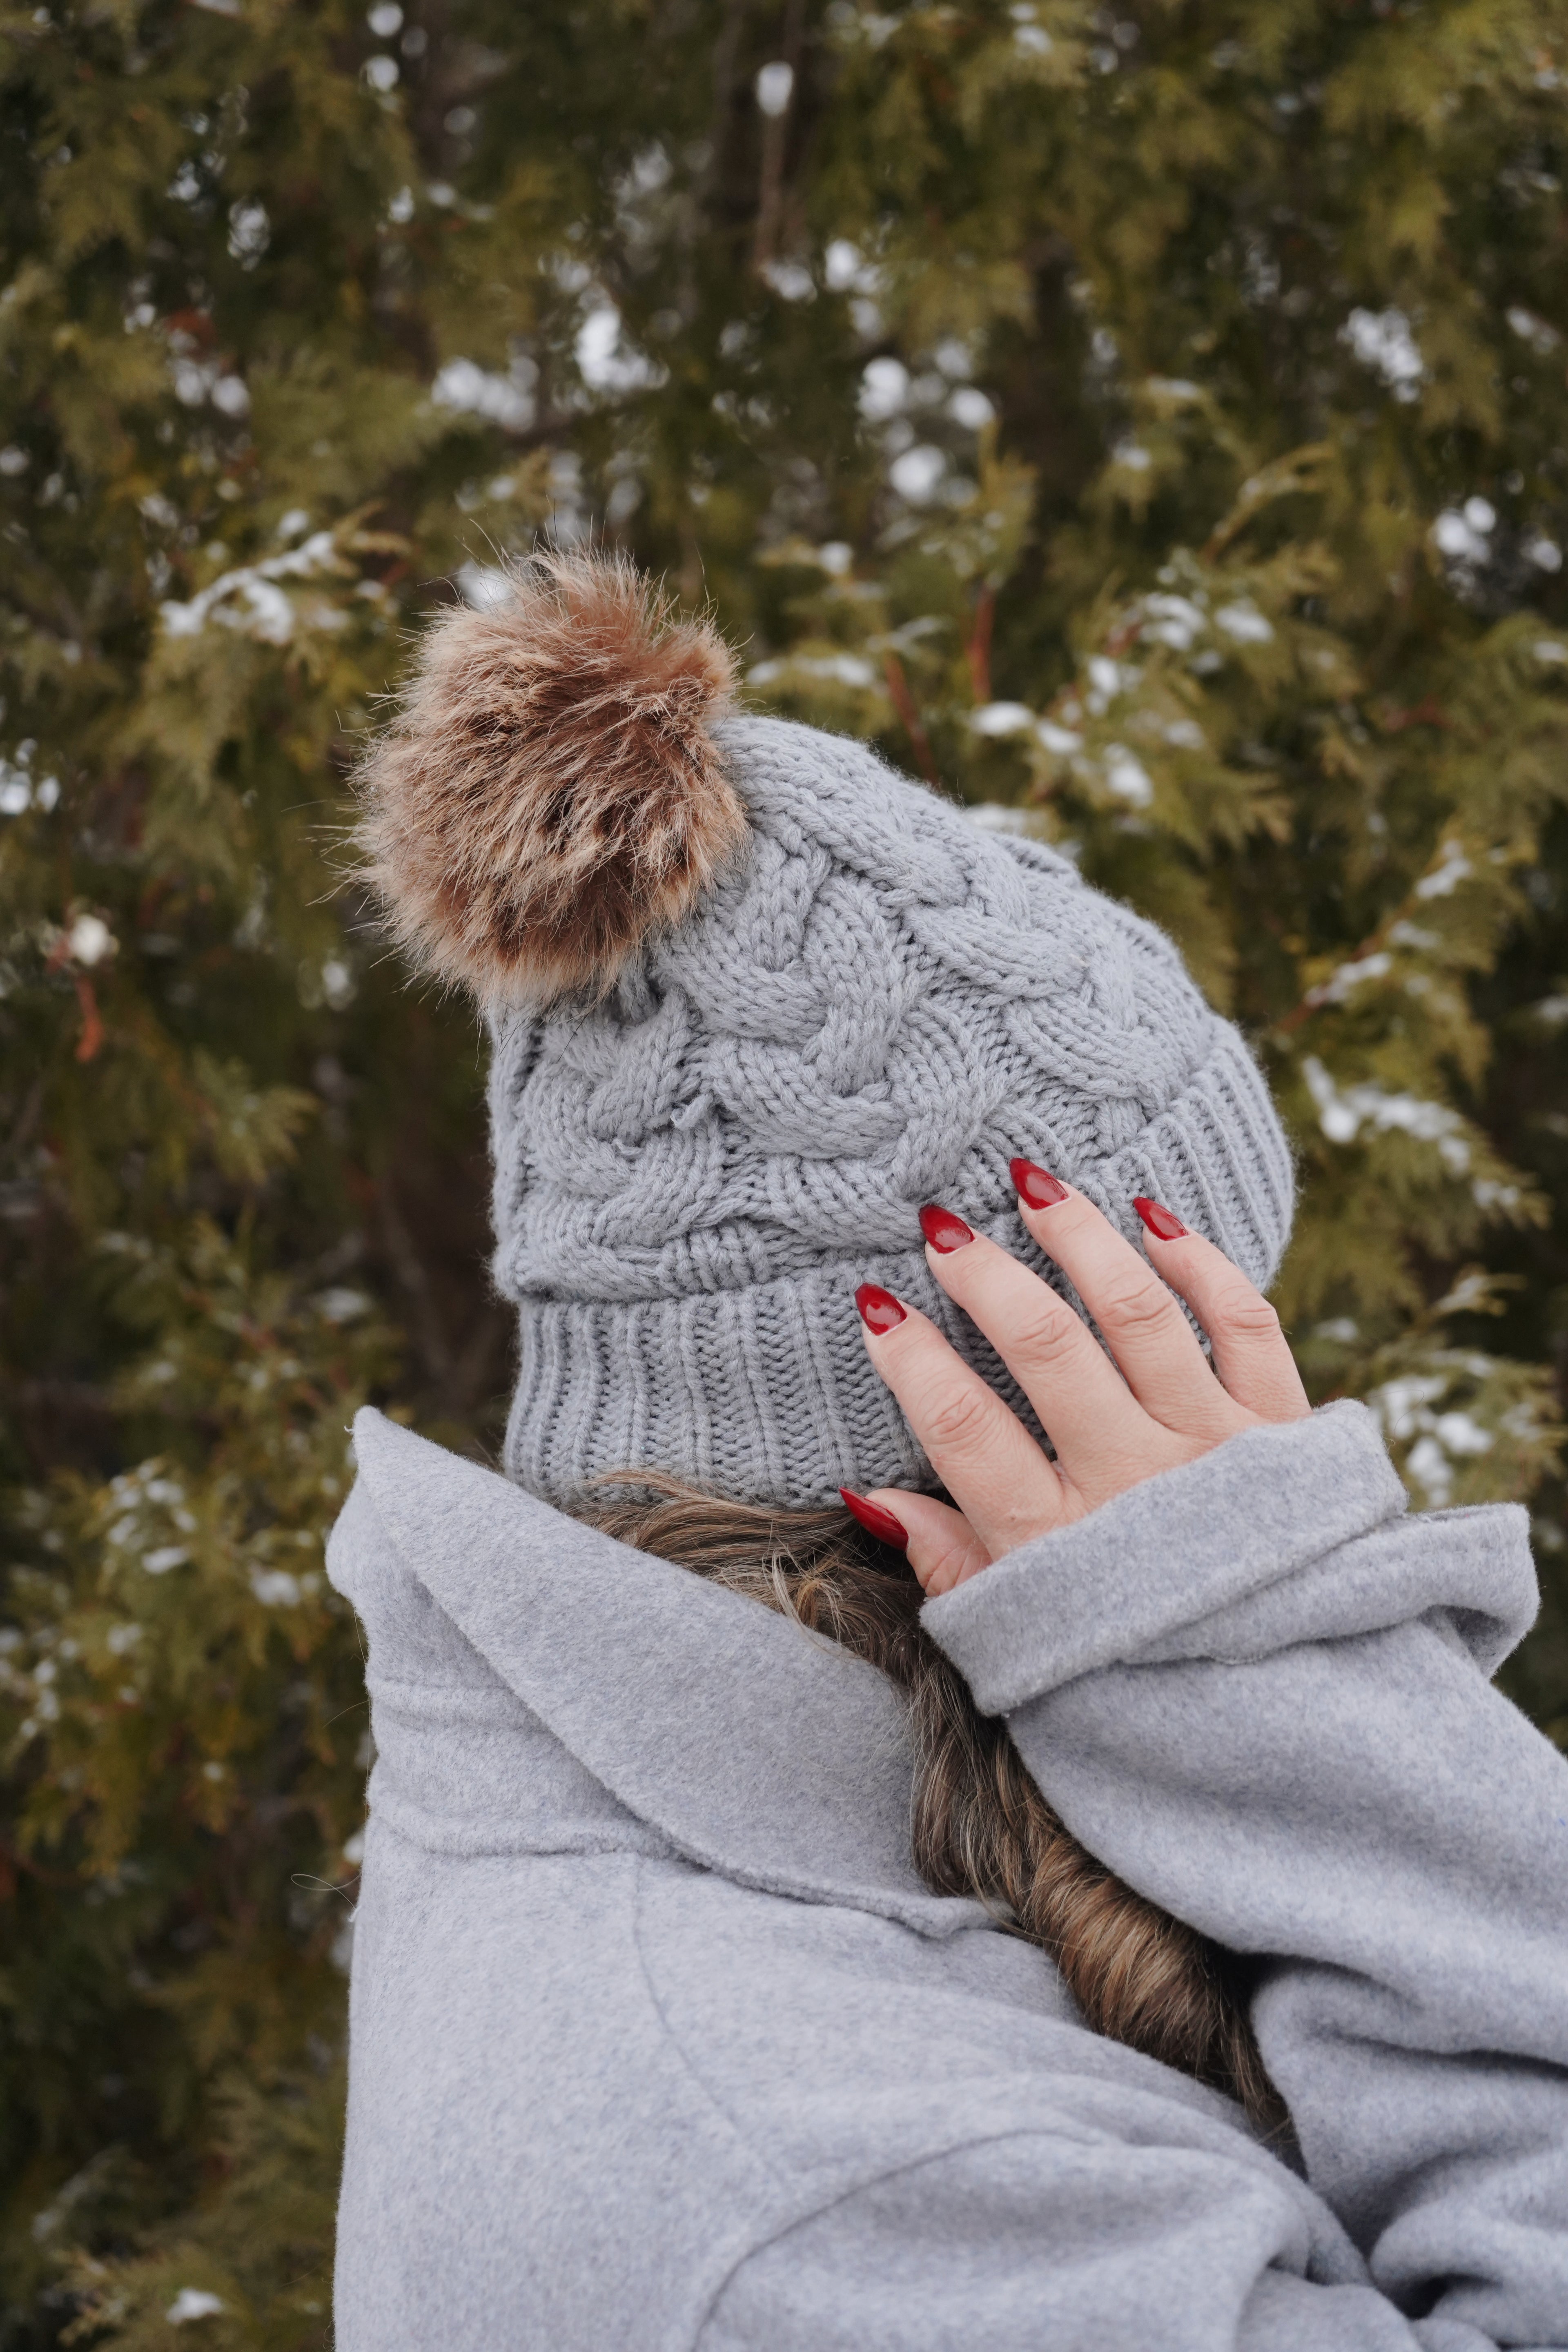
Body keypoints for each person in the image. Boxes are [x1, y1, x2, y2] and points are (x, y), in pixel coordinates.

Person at [326, 550, 1568, 2350]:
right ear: (983, 1476)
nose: (1267, 1425)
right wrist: (1270, 1659)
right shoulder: (848, 2181)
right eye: (1187, 1373)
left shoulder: (688, 1871)